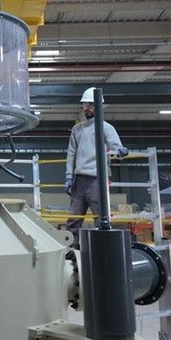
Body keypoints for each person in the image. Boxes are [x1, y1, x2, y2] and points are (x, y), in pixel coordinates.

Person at [64, 87, 129, 247]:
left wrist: (120, 151)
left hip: (97, 180)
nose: (86, 108)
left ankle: (103, 253)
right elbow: (71, 153)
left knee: (101, 220)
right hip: (79, 181)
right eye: (85, 104)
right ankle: (68, 253)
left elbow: (115, 147)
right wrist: (68, 177)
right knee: (73, 220)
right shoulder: (77, 129)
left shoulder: (106, 128)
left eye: (90, 105)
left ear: (99, 105)